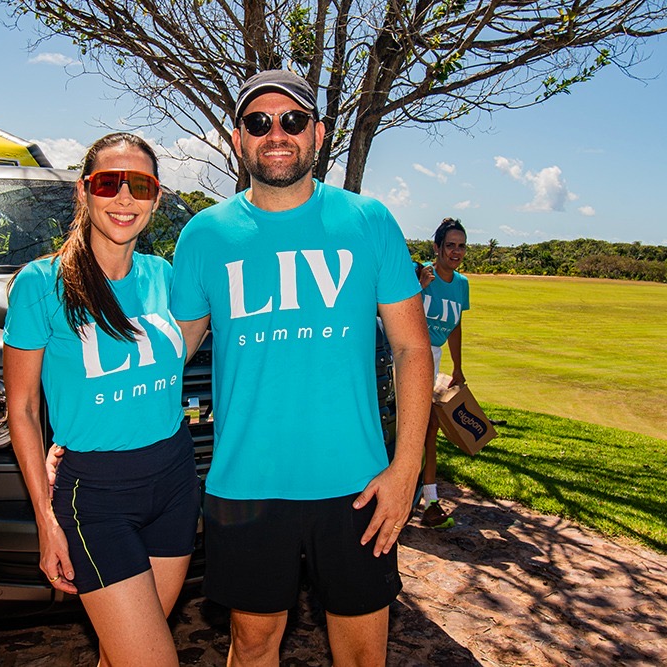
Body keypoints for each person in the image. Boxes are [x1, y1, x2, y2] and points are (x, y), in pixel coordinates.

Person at [170, 70, 433, 666]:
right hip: (245, 485)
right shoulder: (204, 235)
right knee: (252, 646)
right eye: (258, 122)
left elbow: (413, 350)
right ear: (238, 139)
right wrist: (81, 433)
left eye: (292, 120)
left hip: (358, 484)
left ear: (317, 132)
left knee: (362, 654)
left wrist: (406, 469)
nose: (276, 134)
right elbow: (169, 355)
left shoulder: (369, 220)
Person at [3, 133, 201, 667]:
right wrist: (45, 519)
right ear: (84, 191)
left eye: (141, 185)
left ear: (156, 197)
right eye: (109, 183)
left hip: (175, 482)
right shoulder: (41, 284)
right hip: (96, 498)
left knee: (121, 655)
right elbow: (22, 409)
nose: (124, 198)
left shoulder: (166, 277)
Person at [415, 218, 470, 529]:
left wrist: (458, 367)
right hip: (406, 354)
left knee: (429, 428)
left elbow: (455, 326)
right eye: (450, 245)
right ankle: (425, 500)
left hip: (432, 358)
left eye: (461, 246)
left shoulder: (461, 284)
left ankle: (429, 501)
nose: (456, 251)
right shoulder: (422, 273)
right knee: (413, 426)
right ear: (437, 247)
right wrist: (418, 287)